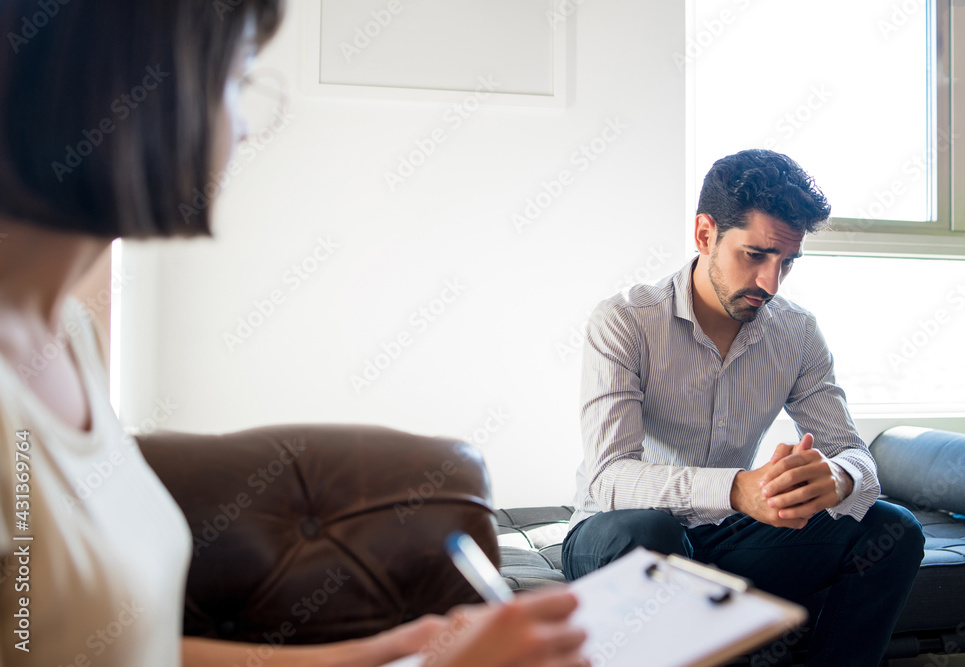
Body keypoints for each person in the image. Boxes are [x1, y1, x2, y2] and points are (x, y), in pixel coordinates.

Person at [0, 2, 588, 666]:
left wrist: (382, 653)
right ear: (137, 89)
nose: (247, 126)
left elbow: (120, 646)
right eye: (237, 78)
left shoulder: (71, 336)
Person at [561, 149, 925, 666]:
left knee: (894, 530)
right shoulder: (624, 321)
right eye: (755, 255)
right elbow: (611, 478)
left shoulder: (797, 333)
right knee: (651, 531)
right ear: (705, 234)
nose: (771, 284)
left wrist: (838, 480)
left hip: (724, 536)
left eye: (788, 262)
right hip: (615, 534)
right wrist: (738, 488)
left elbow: (854, 453)